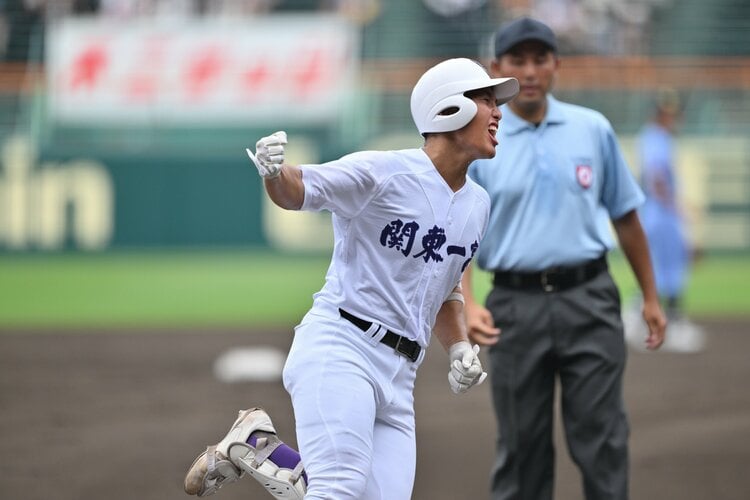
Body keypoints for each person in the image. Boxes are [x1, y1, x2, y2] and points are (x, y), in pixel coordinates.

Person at [183, 57, 520, 499]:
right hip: (342, 349)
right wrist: (273, 172)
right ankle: (259, 448)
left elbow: (445, 285)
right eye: (486, 100)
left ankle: (258, 448)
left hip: (401, 376)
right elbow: (298, 189)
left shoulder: (478, 204)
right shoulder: (385, 172)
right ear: (449, 108)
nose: (498, 113)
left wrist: (457, 347)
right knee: (339, 490)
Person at [461, 17, 668, 500]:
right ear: (498, 69)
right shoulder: (482, 138)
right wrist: (469, 303)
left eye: (540, 59)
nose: (529, 71)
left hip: (589, 299)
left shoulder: (592, 129)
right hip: (514, 305)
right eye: (518, 61)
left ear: (556, 65)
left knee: (603, 441)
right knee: (521, 448)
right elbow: (461, 234)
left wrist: (651, 297)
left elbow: (627, 218)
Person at [626, 87, 706, 353]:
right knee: (667, 269)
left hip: (657, 213)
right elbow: (657, 178)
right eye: (667, 113)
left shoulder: (654, 137)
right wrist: (676, 208)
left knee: (661, 268)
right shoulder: (656, 138)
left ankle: (640, 316)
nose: (672, 118)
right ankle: (668, 323)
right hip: (661, 215)